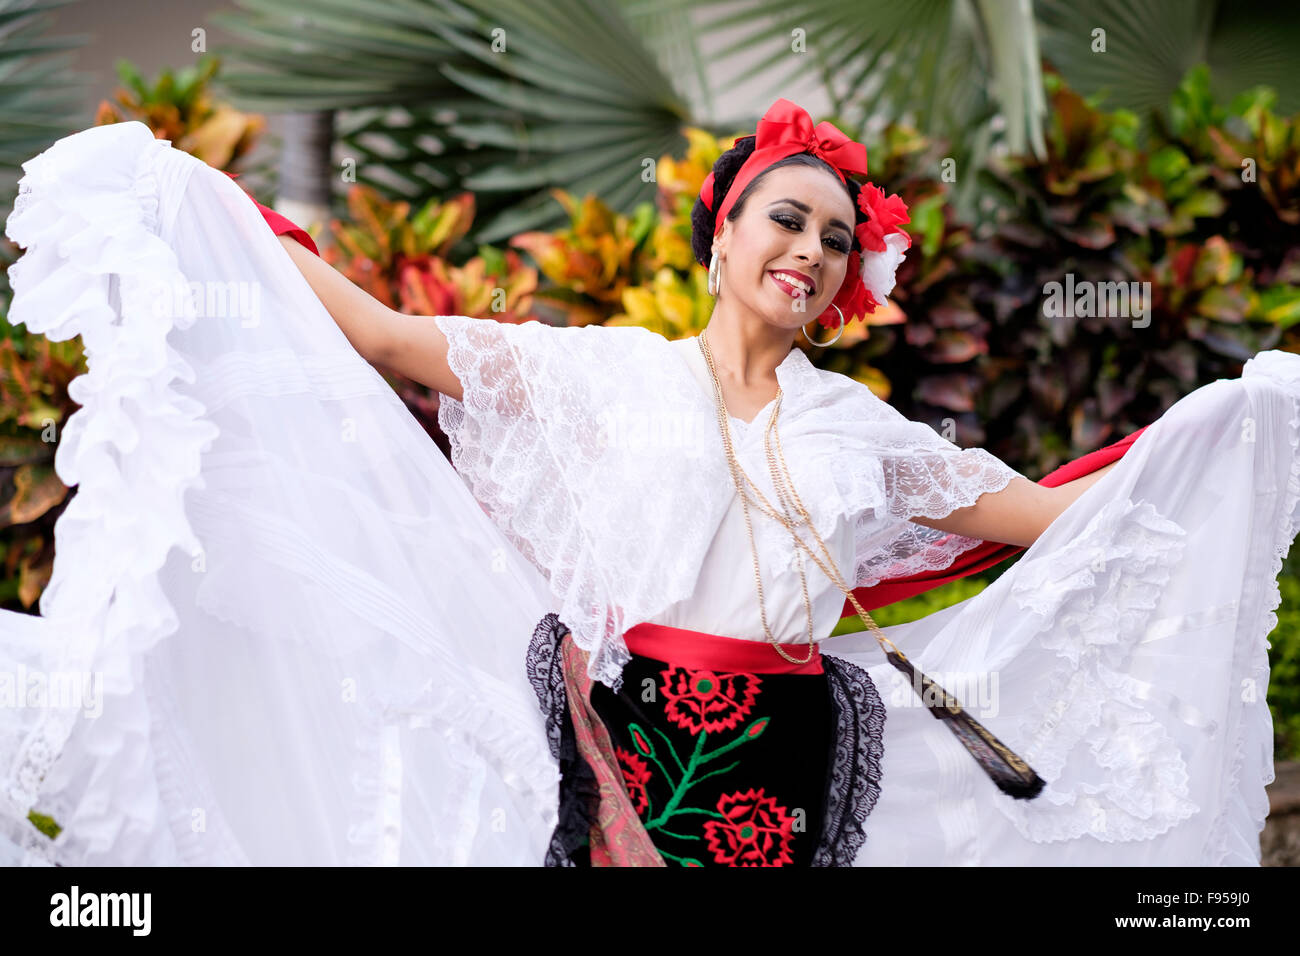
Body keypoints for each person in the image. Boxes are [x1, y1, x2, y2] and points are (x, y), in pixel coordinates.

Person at [0, 102, 1291, 866]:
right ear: (723, 230)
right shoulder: (594, 374)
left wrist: (1249, 416)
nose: (809, 249)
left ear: (851, 283)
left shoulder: (864, 428)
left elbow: (1071, 519)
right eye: (786, 218)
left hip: (795, 757)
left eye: (838, 240)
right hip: (617, 735)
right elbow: (388, 338)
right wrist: (203, 205)